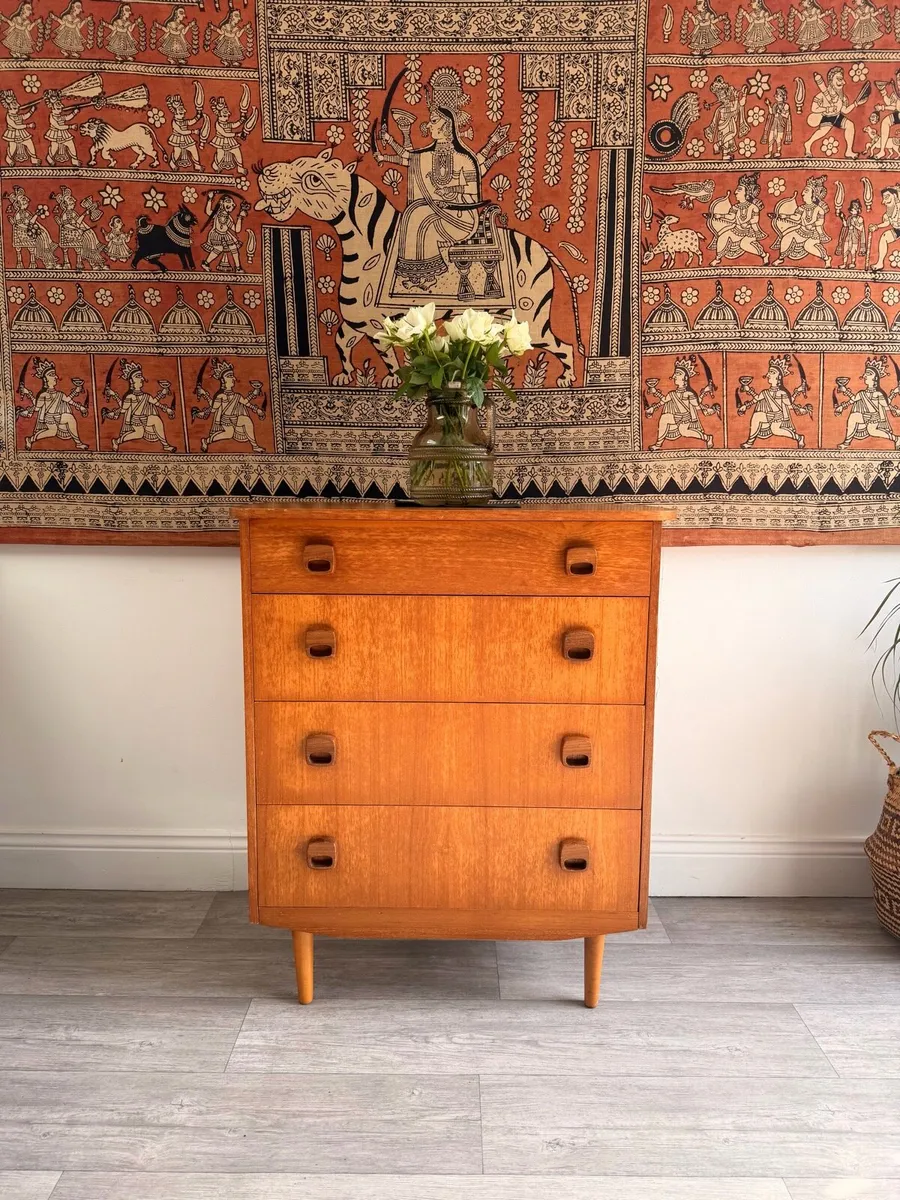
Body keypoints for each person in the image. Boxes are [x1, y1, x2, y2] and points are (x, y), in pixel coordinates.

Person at [737, 357, 811, 448]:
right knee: (759, 418)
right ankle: (750, 442)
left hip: (778, 416)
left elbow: (789, 404)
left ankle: (799, 438)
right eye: (769, 372)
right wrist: (745, 405)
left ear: (779, 377)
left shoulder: (781, 393)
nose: (768, 375)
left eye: (772, 372)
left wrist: (800, 407)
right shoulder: (765, 392)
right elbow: (756, 399)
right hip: (769, 415)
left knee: (774, 429)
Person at [103, 360, 176, 452]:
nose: (141, 378)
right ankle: (117, 441)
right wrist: (113, 408)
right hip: (136, 420)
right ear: (131, 380)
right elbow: (123, 409)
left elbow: (154, 402)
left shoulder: (146, 396)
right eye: (138, 376)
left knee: (156, 420)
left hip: (145, 418)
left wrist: (165, 403)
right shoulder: (130, 396)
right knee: (139, 434)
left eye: (141, 376)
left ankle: (165, 445)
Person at [18, 357, 89, 450]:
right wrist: (28, 410)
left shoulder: (59, 394)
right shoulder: (43, 395)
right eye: (51, 375)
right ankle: (30, 439)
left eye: (55, 374)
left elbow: (68, 400)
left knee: (70, 418)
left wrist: (80, 406)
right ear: (45, 379)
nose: (56, 377)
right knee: (52, 432)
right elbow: (37, 407)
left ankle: (78, 443)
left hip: (58, 416)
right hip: (49, 418)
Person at [195, 359, 265, 452]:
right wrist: (204, 401)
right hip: (226, 420)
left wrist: (257, 408)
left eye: (233, 376)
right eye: (229, 376)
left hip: (235, 418)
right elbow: (213, 408)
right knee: (228, 434)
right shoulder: (221, 396)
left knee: (246, 420)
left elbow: (245, 402)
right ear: (223, 380)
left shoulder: (237, 396)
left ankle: (255, 446)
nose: (234, 379)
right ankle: (206, 441)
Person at [645, 358, 716, 450]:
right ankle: (658, 445)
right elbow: (663, 401)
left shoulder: (689, 394)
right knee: (664, 418)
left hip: (685, 418)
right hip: (676, 416)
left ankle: (707, 438)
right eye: (675, 373)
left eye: (678, 374)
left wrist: (707, 409)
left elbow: (697, 406)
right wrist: (653, 407)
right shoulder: (672, 394)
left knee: (684, 432)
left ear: (685, 378)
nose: (674, 376)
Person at [834, 357, 900, 447]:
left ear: (875, 378)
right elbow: (852, 400)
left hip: (874, 418)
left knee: (872, 431)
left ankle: (896, 438)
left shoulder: (877, 394)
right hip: (865, 416)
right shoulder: (861, 393)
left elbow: (886, 405)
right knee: (854, 417)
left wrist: (894, 407)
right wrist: (843, 399)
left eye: (868, 373)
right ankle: (846, 442)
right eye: (865, 373)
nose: (865, 375)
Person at [707, 173, 768, 265]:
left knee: (744, 244)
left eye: (739, 190)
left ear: (747, 193)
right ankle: (718, 258)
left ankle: (764, 255)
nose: (735, 192)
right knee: (723, 236)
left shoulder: (753, 207)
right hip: (736, 230)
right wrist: (718, 216)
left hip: (749, 232)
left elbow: (754, 221)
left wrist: (749, 225)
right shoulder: (735, 207)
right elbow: (731, 217)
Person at [805, 67, 865, 158]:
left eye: (842, 79)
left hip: (837, 116)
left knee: (850, 125)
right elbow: (814, 108)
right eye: (839, 79)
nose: (843, 82)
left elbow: (844, 110)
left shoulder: (842, 97)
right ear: (830, 80)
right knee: (822, 132)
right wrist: (826, 108)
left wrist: (855, 104)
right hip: (827, 117)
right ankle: (808, 144)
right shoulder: (821, 95)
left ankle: (848, 151)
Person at [772, 175, 831, 265]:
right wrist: (785, 216)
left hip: (813, 234)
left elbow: (820, 222)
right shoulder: (801, 208)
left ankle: (827, 259)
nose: (803, 193)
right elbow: (796, 217)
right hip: (801, 231)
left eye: (806, 191)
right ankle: (781, 258)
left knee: (808, 246)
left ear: (813, 195)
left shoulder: (819, 209)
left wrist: (813, 225)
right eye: (804, 191)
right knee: (787, 237)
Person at [704, 76, 749, 160]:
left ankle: (725, 155)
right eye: (720, 95)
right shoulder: (723, 109)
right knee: (732, 133)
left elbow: (741, 105)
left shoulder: (730, 104)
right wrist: (735, 98)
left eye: (724, 93)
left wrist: (744, 95)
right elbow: (735, 109)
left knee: (729, 140)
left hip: (729, 123)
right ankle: (717, 144)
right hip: (724, 124)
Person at [165, 93, 203, 171]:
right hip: (178, 139)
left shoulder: (183, 121)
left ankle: (197, 165)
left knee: (193, 150)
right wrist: (193, 131)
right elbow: (181, 132)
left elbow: (190, 122)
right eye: (181, 111)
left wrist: (198, 116)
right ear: (175, 112)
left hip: (187, 138)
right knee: (177, 153)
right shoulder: (175, 122)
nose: (185, 111)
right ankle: (172, 164)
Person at [0, 89, 37, 165]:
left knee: (29, 143)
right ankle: (8, 159)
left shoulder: (17, 115)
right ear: (8, 106)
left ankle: (33, 159)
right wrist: (28, 126)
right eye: (14, 104)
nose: (17, 105)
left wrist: (31, 111)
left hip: (21, 132)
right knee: (13, 148)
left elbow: (24, 116)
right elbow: (16, 126)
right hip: (13, 133)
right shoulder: (9, 116)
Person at [869, 185, 900, 270]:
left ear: (894, 196)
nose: (884, 201)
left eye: (887, 197)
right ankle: (879, 264)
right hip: (897, 230)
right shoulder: (888, 211)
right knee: (884, 237)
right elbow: (887, 222)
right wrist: (876, 227)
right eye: (884, 198)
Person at [44, 93, 80, 166]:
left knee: (70, 144)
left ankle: (75, 161)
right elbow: (58, 126)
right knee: (54, 147)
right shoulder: (52, 116)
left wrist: (74, 113)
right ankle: (49, 158)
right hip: (55, 133)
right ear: (52, 108)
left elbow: (67, 117)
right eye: (58, 109)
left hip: (64, 133)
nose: (60, 110)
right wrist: (70, 127)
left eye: (60, 108)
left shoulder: (60, 116)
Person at [762, 85, 792, 158]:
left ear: (782, 97)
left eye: (778, 95)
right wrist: (768, 104)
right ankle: (769, 153)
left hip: (780, 125)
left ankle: (778, 152)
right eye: (776, 94)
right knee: (771, 139)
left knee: (778, 139)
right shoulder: (775, 105)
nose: (776, 96)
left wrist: (780, 112)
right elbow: (771, 112)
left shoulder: (786, 106)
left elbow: (786, 115)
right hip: (774, 124)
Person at [836, 197, 866, 266]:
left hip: (855, 237)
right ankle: (844, 263)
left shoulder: (860, 218)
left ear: (858, 210)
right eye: (852, 209)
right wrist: (842, 218)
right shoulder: (850, 217)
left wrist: (854, 225)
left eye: (854, 209)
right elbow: (845, 225)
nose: (852, 210)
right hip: (848, 236)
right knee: (845, 250)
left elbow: (861, 228)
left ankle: (852, 263)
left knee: (853, 251)